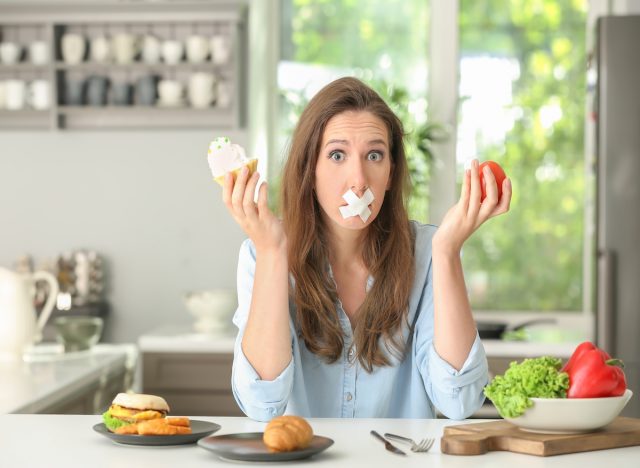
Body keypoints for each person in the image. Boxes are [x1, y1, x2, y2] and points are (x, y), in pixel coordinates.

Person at [222, 77, 512, 422]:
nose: (358, 179)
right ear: (309, 170)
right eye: (337, 155)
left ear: (390, 173)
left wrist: (447, 250)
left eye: (374, 155)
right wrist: (272, 254)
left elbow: (460, 402)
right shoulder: (262, 254)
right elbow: (261, 404)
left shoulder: (427, 253)